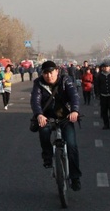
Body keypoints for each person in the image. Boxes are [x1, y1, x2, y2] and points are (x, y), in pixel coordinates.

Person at [31, 60, 82, 191]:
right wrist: (39, 114)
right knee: (44, 131)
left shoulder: (66, 81)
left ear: (57, 71)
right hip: (47, 117)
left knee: (71, 144)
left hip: (66, 117)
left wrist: (75, 111)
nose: (48, 75)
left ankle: (75, 177)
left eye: (51, 72)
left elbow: (74, 96)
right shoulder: (38, 83)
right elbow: (35, 101)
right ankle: (47, 156)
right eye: (45, 73)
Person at [94, 62, 110, 130]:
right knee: (104, 110)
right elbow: (96, 85)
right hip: (103, 95)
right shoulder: (99, 76)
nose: (105, 68)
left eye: (107, 67)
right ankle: (106, 124)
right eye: (104, 67)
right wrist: (97, 93)